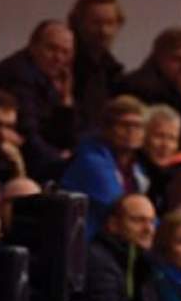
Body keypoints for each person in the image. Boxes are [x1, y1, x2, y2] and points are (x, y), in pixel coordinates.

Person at [0, 20, 78, 181]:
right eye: (52, 49)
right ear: (33, 46)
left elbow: (64, 136)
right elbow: (28, 132)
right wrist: (59, 159)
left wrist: (65, 100)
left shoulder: (50, 77)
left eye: (65, 52)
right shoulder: (20, 74)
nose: (58, 58)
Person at [61, 95, 149, 240]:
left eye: (138, 126)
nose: (131, 131)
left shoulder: (137, 168)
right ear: (107, 128)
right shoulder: (91, 161)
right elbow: (124, 210)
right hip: (87, 244)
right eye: (125, 125)